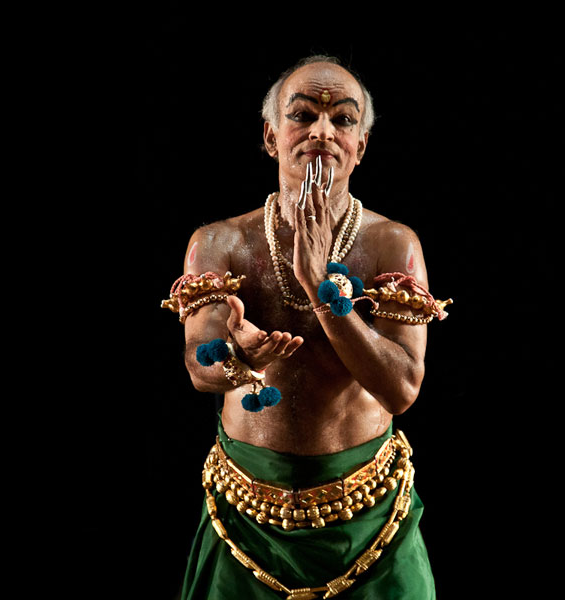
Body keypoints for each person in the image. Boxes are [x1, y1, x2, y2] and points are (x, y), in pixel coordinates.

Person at [163, 55, 450, 599]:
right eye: (302, 115)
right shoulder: (220, 243)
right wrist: (240, 362)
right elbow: (201, 366)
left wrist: (322, 288)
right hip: (244, 518)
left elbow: (401, 388)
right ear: (271, 137)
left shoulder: (393, 246)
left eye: (343, 119)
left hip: (370, 519)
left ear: (360, 147)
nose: (322, 130)